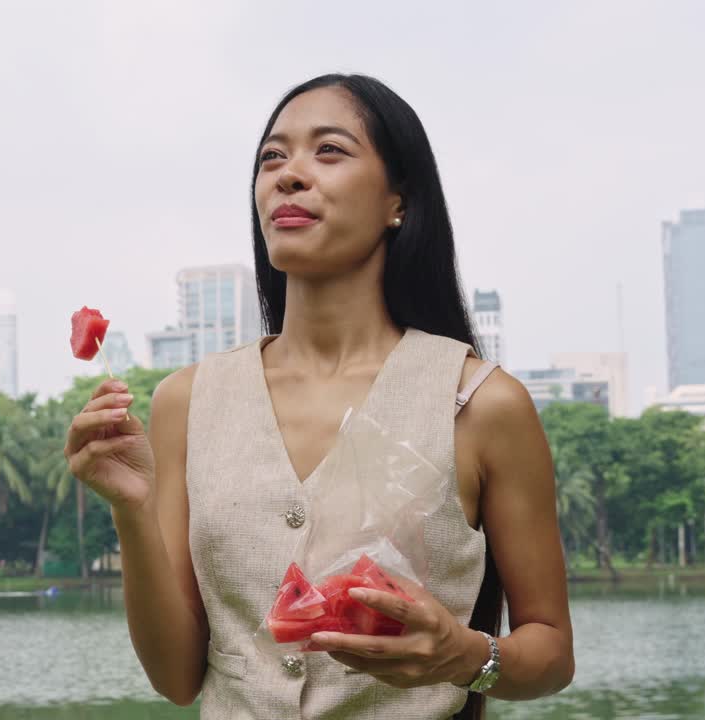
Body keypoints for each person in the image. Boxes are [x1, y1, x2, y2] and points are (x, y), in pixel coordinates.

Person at [65, 73, 573, 719]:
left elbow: (551, 654)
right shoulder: (187, 400)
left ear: (400, 201)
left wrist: (464, 656)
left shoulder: (479, 403)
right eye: (272, 157)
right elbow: (176, 678)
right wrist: (130, 511)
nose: (289, 174)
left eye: (329, 151)